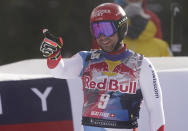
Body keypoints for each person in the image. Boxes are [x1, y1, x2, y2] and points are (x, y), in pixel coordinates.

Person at [40, 3, 165, 131]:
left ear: (121, 28)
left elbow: (155, 108)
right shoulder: (86, 59)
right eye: (96, 30)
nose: (102, 36)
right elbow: (60, 72)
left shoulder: (141, 64)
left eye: (106, 29)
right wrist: (54, 56)